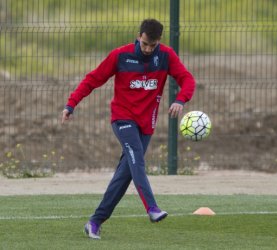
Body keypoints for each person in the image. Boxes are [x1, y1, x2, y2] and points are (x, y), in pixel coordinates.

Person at [61, 19, 196, 240]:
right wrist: (71, 103)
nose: (148, 49)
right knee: (137, 159)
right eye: (144, 44)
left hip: (147, 125)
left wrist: (181, 99)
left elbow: (188, 80)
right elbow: (93, 79)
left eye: (152, 45)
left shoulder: (166, 56)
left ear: (159, 41)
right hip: (123, 118)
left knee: (125, 175)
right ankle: (152, 208)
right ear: (138, 35)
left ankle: (95, 222)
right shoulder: (120, 55)